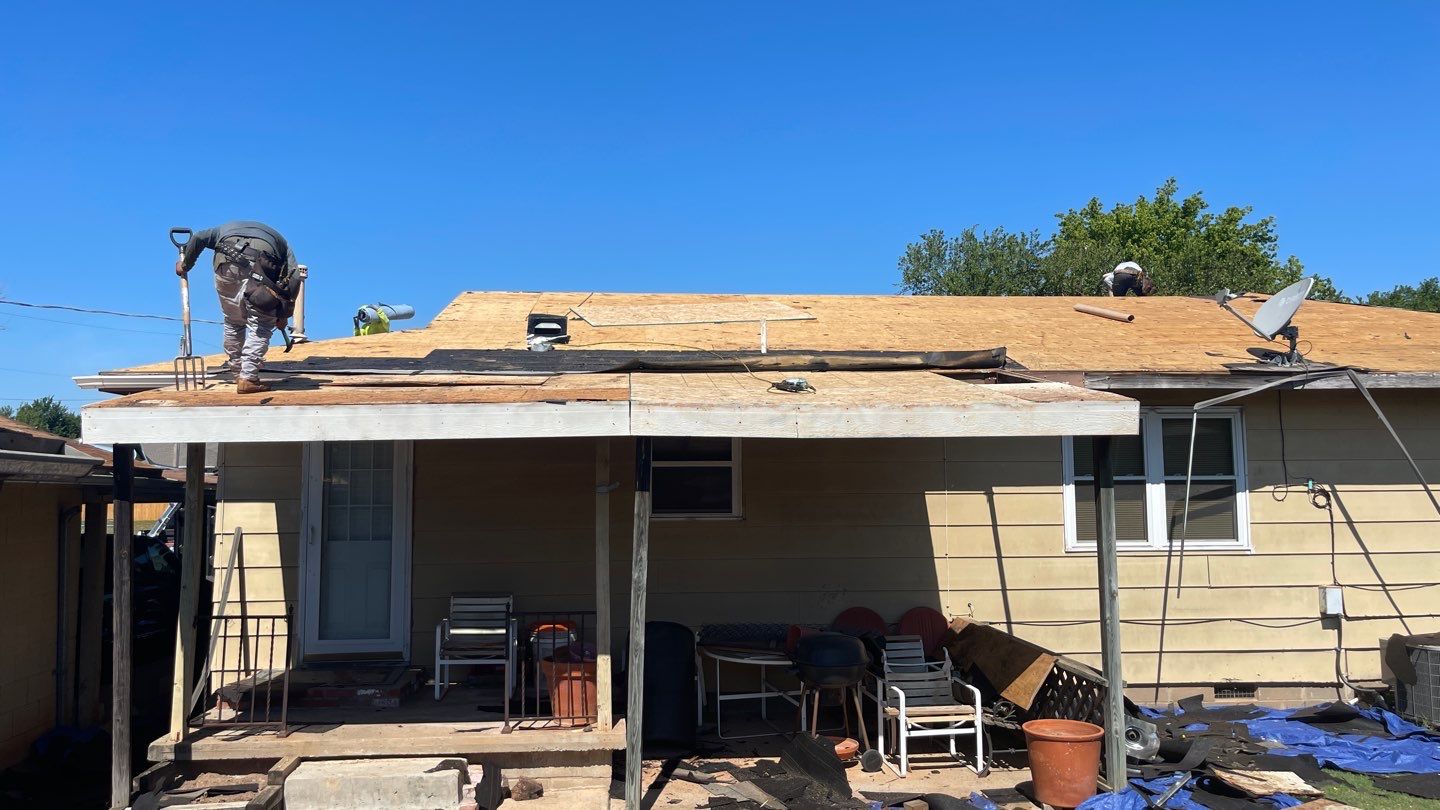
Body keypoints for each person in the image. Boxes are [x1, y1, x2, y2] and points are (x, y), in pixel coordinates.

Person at [175, 221, 299, 394]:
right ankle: (248, 378)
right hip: (261, 270)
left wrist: (185, 265)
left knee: (233, 322)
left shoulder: (220, 230)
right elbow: (294, 276)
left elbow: (198, 237)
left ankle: (238, 373)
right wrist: (283, 314)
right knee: (261, 324)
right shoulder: (281, 242)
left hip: (226, 268)